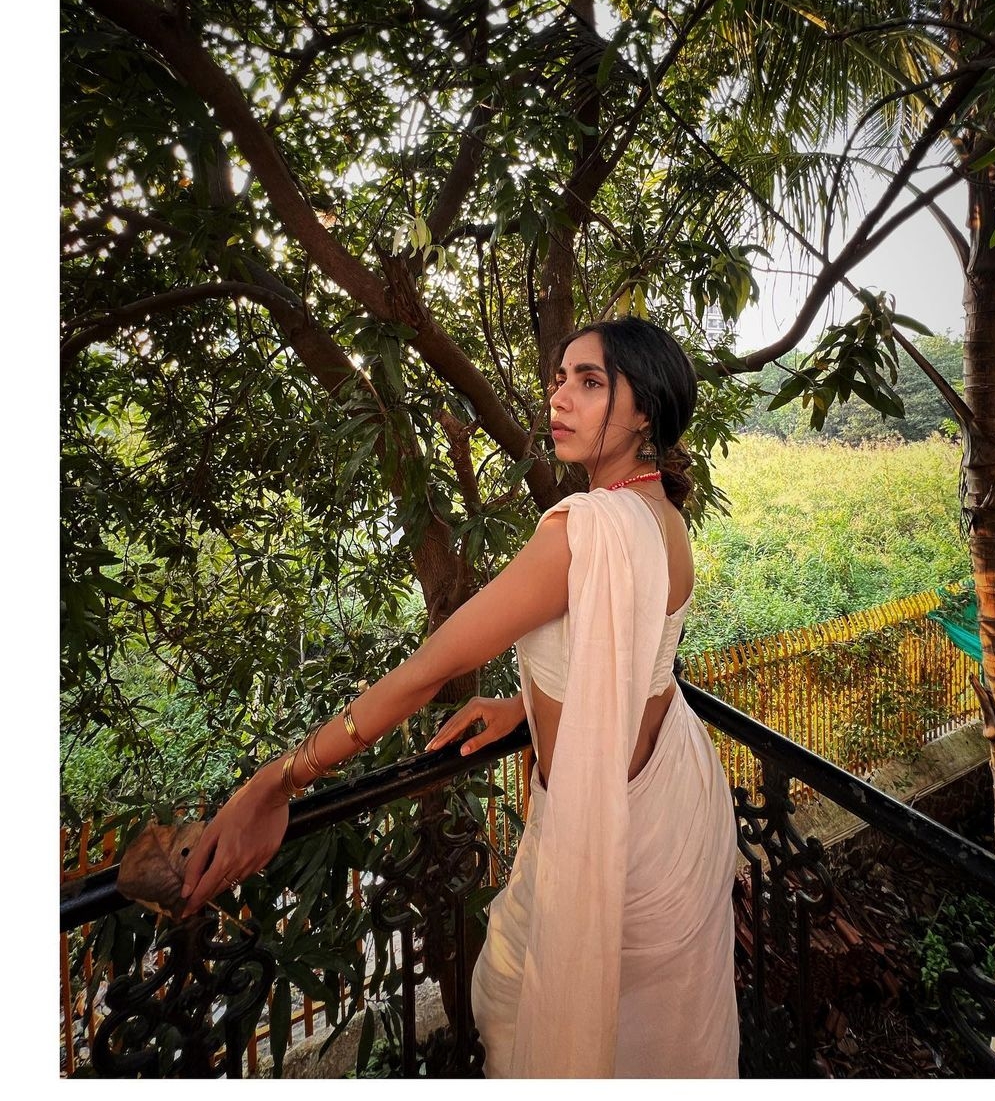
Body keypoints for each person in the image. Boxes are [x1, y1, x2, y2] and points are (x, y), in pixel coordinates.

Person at [180, 316, 739, 1078]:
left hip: (622, 836)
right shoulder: (660, 514)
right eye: (559, 379)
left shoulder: (582, 530)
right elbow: (636, 666)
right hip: (675, 804)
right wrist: (528, 707)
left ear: (646, 409)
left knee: (534, 1015)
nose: (559, 398)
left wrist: (277, 781)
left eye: (590, 382)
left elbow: (425, 672)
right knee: (647, 1042)